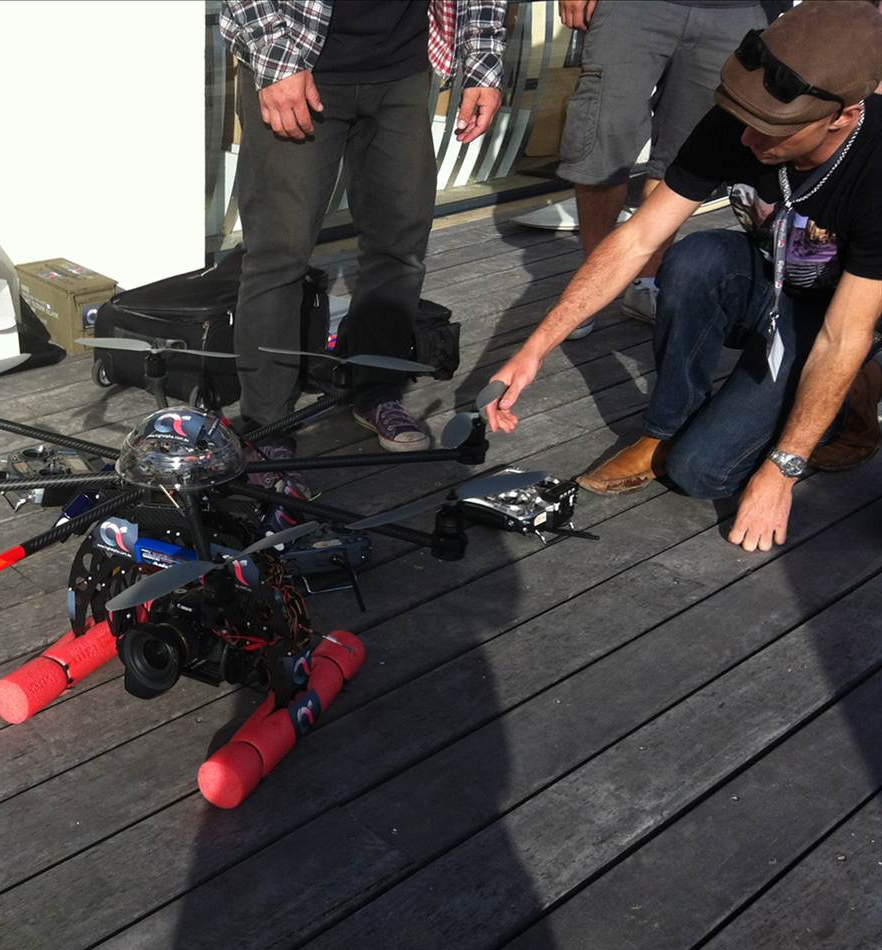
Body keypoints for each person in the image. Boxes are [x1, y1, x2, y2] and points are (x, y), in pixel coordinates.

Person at [483, 0, 882, 553]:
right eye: (747, 121)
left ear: (843, 115)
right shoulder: (742, 121)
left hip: (841, 318)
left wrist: (782, 471)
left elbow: (842, 335)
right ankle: (664, 430)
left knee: (704, 473)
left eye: (774, 130)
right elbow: (638, 239)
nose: (748, 142)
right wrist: (535, 348)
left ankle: (860, 389)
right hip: (770, 281)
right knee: (695, 258)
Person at [220, 0, 507, 487]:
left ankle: (376, 392)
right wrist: (275, 56)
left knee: (400, 247)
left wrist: (482, 61)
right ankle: (265, 424)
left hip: (403, 65)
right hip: (298, 57)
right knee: (278, 255)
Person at [556, 0, 781, 339]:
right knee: (604, 136)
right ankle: (591, 285)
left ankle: (647, 281)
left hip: (738, 11)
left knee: (686, 152)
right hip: (636, 8)